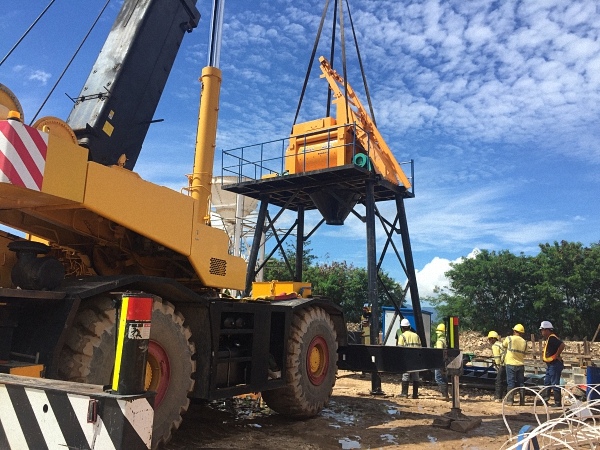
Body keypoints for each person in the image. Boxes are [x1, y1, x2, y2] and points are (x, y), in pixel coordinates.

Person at [539, 320, 565, 407]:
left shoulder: (552, 338)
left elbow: (562, 345)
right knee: (547, 382)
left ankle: (557, 403)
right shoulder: (550, 339)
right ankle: (545, 399)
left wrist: (557, 355)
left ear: (547, 330)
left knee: (554, 383)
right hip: (550, 365)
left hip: (555, 364)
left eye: (542, 330)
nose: (541, 332)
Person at [503, 324, 528, 406]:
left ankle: (510, 401)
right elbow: (525, 352)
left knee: (511, 382)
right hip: (520, 364)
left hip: (510, 363)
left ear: (514, 331)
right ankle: (522, 401)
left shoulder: (509, 338)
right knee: (521, 383)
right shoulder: (524, 342)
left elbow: (504, 345)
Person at [397, 318, 421, 399]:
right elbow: (420, 348)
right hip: (416, 359)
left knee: (405, 375)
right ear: (409, 327)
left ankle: (404, 393)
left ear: (402, 328)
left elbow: (399, 350)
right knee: (416, 376)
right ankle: (415, 394)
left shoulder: (402, 336)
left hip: (407, 359)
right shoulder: (416, 336)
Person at [488, 330, 506, 402]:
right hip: (508, 362)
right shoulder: (500, 344)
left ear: (493, 339)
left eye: (489, 339)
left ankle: (498, 397)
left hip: (503, 363)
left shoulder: (495, 346)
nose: (489, 341)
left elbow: (497, 357)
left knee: (498, 380)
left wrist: (498, 365)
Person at [434, 323, 449, 400]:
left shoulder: (440, 341)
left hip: (440, 362)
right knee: (444, 378)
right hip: (446, 362)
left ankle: (444, 395)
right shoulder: (446, 340)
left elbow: (439, 353)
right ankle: (446, 394)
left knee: (438, 378)